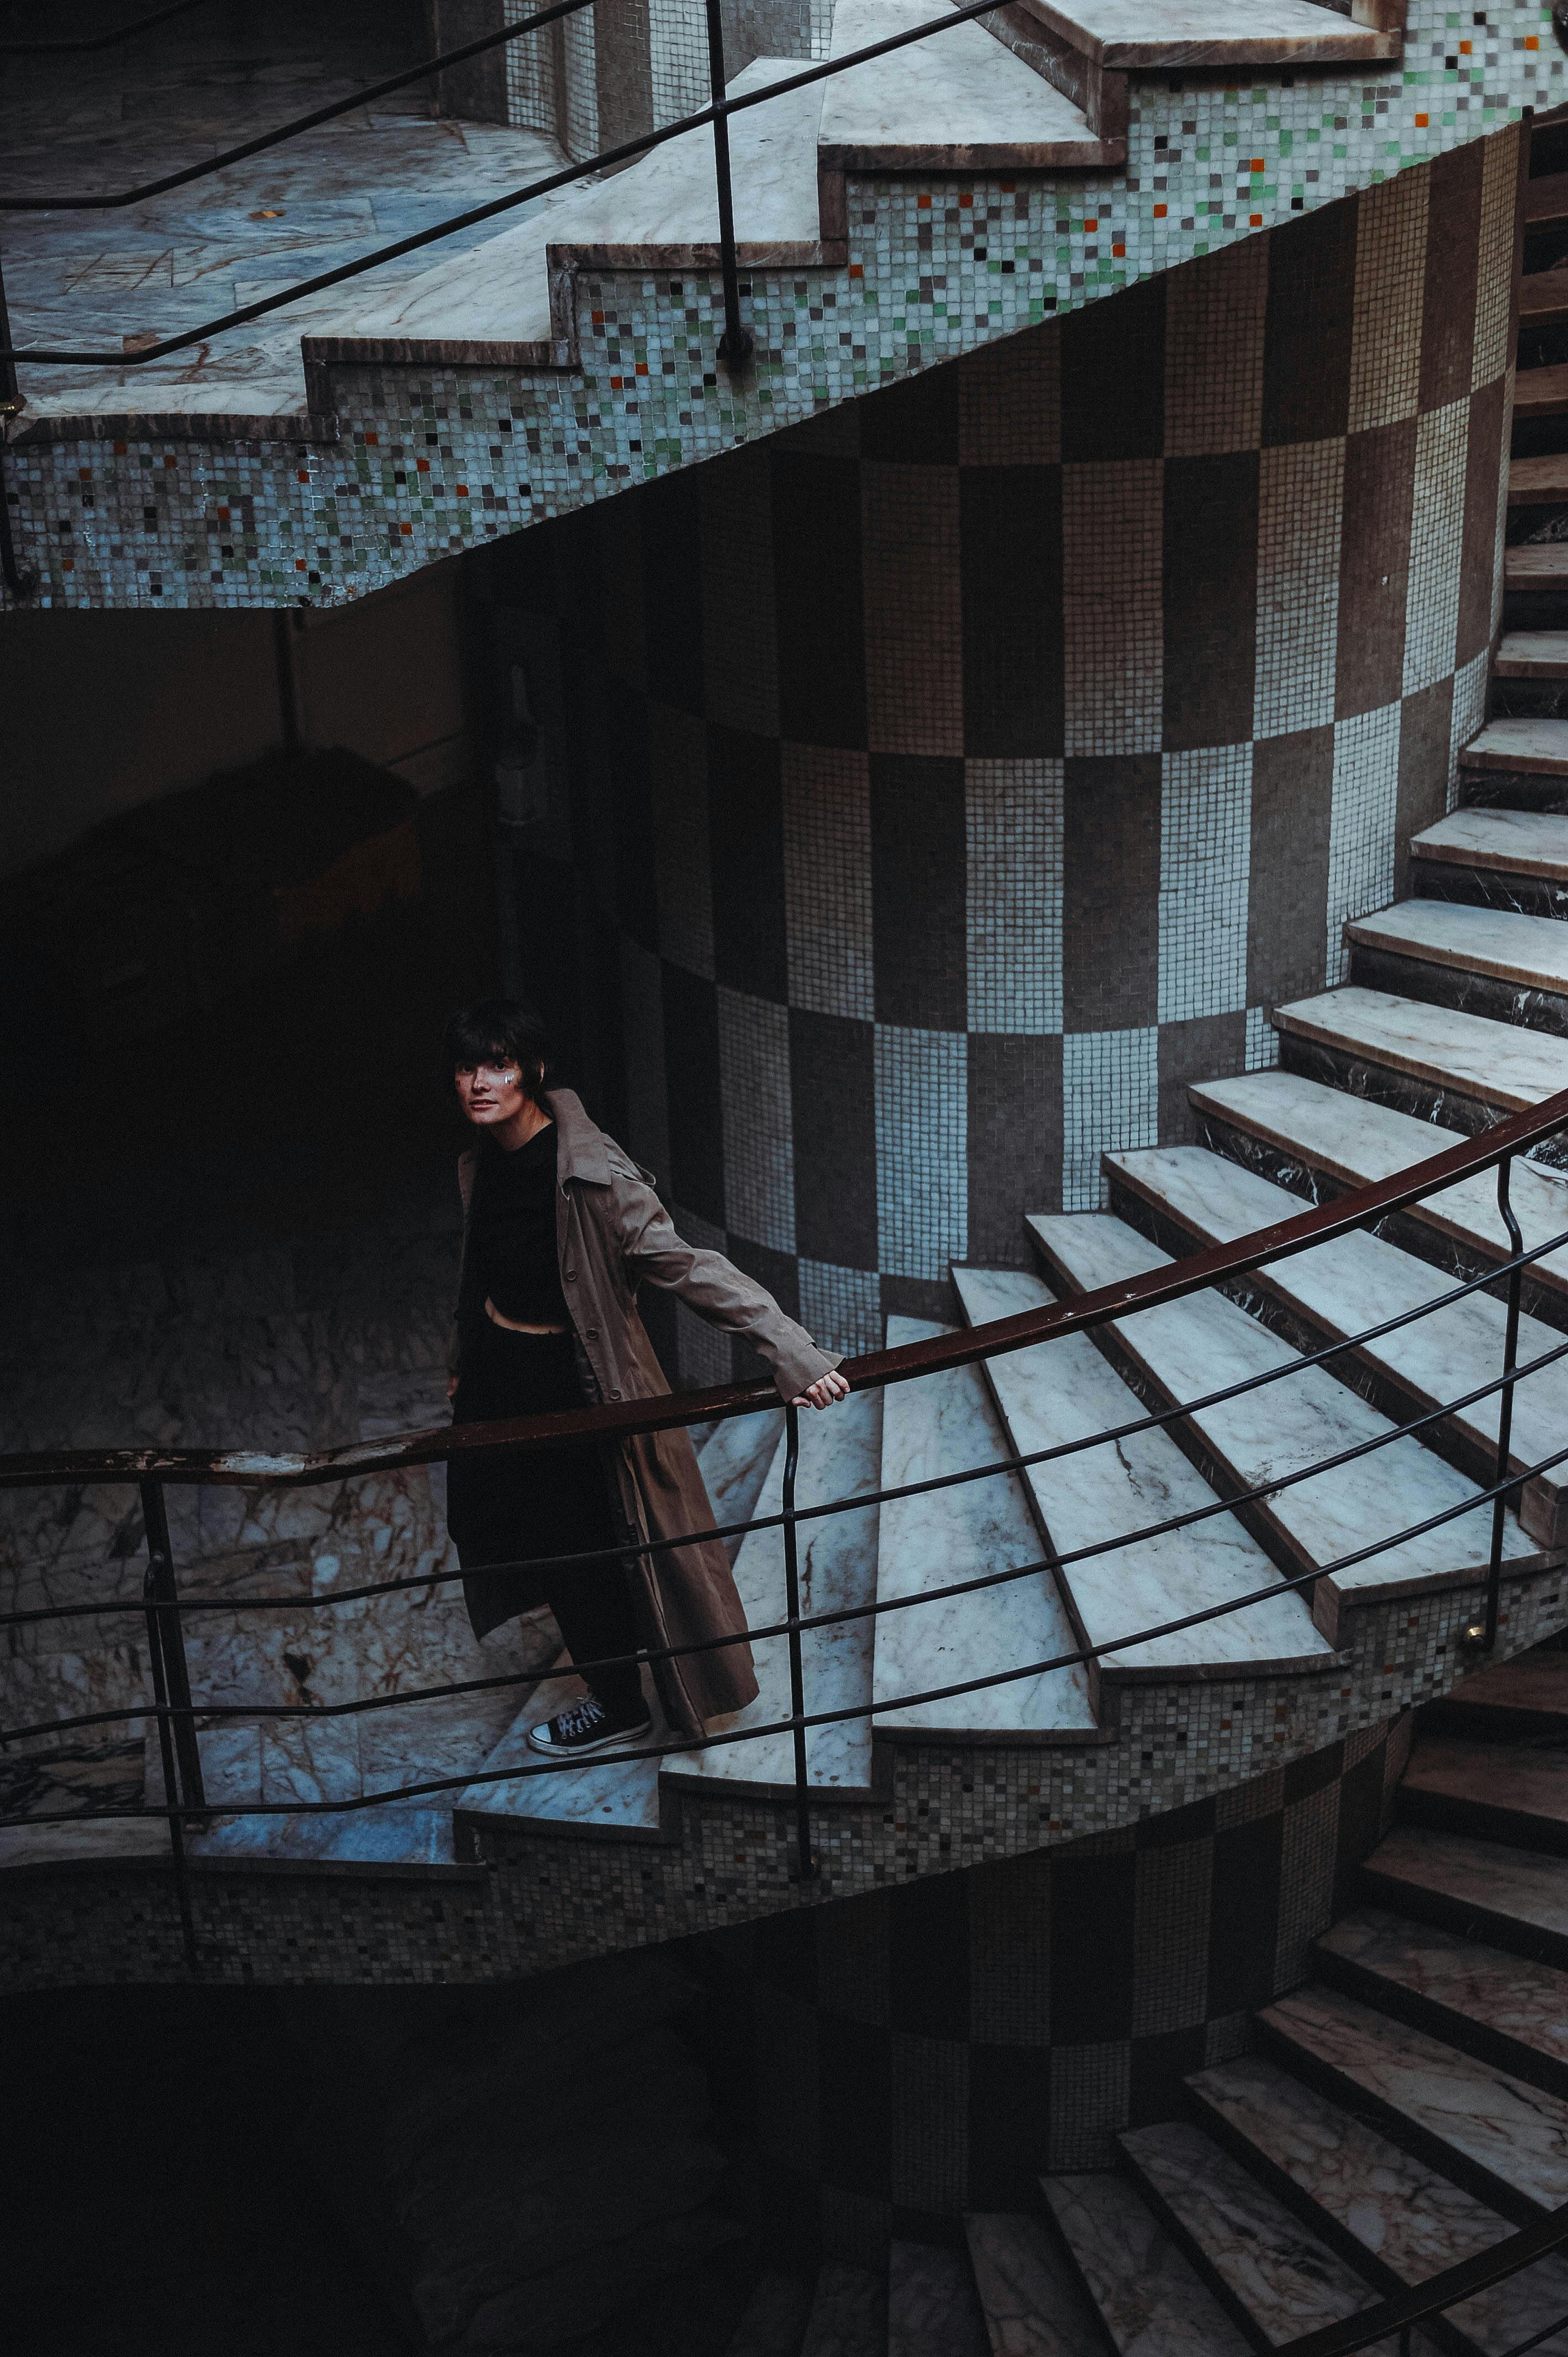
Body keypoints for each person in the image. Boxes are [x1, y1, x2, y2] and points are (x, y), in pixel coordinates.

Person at [442, 999, 850, 1758]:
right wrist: (464, 1367)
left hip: (573, 1387)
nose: (479, 1084)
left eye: (498, 1066)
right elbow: (480, 1272)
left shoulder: (592, 1177)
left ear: (533, 1072)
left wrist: (790, 1350)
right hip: (500, 1380)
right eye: (467, 1068)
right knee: (521, 1535)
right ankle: (611, 1679)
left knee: (585, 1548)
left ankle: (619, 1704)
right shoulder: (481, 1160)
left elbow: (690, 1267)